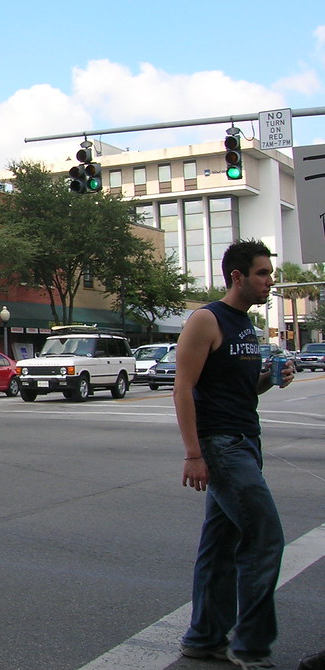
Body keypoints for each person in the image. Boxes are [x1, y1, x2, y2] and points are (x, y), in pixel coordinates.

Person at [174, 239, 291, 669]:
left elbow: (240, 390)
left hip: (246, 440)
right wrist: (193, 453)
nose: (269, 282)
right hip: (221, 446)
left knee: (219, 546)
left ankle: (203, 638)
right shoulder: (207, 319)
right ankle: (251, 648)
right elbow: (183, 387)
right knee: (265, 539)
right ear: (237, 276)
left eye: (270, 274)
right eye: (262, 274)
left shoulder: (245, 325)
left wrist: (270, 379)